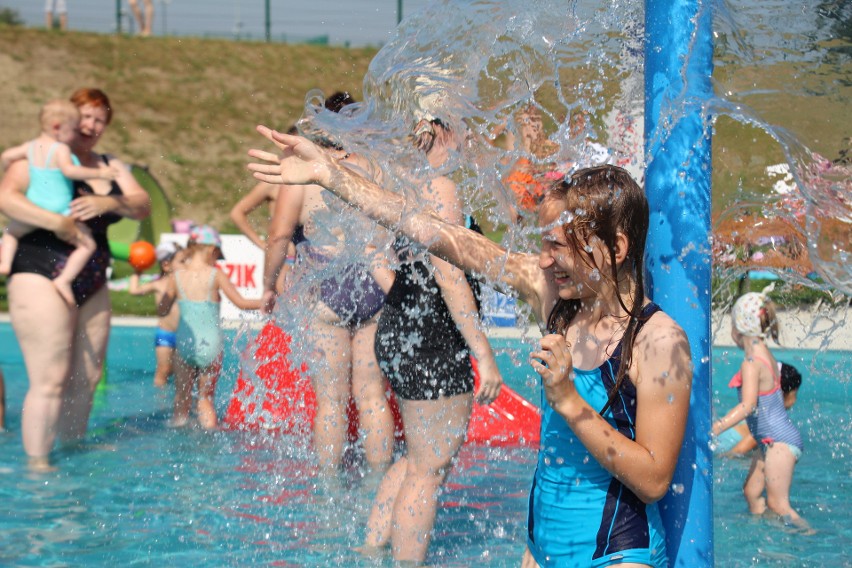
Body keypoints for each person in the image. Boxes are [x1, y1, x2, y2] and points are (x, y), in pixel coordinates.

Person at [249, 129, 693, 567]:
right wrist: (331, 176)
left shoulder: (657, 340)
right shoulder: (553, 298)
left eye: (557, 246)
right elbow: (434, 232)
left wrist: (569, 402)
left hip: (617, 555)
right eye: (543, 244)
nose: (542, 260)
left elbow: (654, 479)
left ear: (615, 248)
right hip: (541, 550)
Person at [356, 117, 503, 563]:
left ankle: (372, 548)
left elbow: (370, 253)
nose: (471, 136)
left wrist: (403, 301)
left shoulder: (401, 181)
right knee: (428, 470)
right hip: (433, 342)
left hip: (401, 336)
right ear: (441, 130)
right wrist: (484, 355)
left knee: (414, 457)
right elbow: (450, 273)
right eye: (464, 125)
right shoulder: (439, 188)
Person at [0, 87, 151, 472]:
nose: (91, 125)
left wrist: (107, 202)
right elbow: (7, 197)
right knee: (49, 377)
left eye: (100, 120)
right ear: (68, 118)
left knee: (87, 375)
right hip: (40, 267)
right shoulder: (43, 155)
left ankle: (73, 446)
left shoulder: (109, 164)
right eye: (85, 116)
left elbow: (142, 205)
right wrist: (58, 222)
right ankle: (38, 463)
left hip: (92, 275)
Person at [262, 93, 394, 471]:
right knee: (372, 398)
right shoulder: (377, 169)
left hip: (325, 289)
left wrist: (268, 286)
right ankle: (377, 485)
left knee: (331, 401)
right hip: (376, 284)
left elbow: (278, 237)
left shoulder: (303, 172)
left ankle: (328, 491)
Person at [1, 99, 118, 305]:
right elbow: (70, 171)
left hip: (35, 209)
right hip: (61, 211)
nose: (75, 134)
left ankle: (4, 263)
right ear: (57, 128)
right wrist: (100, 172)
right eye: (73, 129)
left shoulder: (31, 147)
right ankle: (64, 280)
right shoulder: (61, 149)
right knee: (88, 245)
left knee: (11, 233)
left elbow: (6, 156)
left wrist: (9, 167)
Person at [712, 291, 809, 530]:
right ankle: (765, 533)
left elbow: (748, 406)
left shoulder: (752, 362)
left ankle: (809, 534)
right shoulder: (765, 354)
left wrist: (716, 427)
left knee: (779, 504)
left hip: (780, 442)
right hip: (768, 442)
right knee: (752, 492)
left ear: (738, 328)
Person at [160, 225, 261, 429]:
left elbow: (162, 309)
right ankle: (209, 437)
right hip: (211, 345)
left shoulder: (176, 276)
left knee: (182, 398)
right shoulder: (216, 275)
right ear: (211, 250)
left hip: (185, 344)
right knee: (205, 399)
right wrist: (270, 302)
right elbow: (241, 303)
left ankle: (179, 439)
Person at [714, 361, 803, 457]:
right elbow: (734, 453)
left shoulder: (743, 411)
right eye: (795, 394)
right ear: (782, 393)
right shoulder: (764, 427)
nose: (795, 400)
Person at [128, 241, 185, 387]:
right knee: (163, 370)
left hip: (183, 335)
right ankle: (160, 404)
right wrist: (137, 271)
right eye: (182, 261)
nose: (186, 264)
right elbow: (134, 290)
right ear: (166, 264)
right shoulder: (158, 284)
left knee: (181, 373)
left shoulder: (185, 283)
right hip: (165, 333)